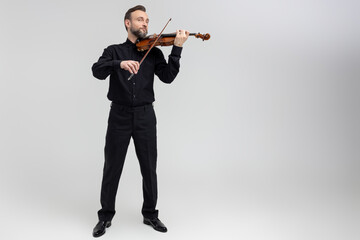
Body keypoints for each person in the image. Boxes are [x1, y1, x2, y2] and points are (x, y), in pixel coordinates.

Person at [91, 5, 189, 238]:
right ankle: (105, 217)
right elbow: (96, 70)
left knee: (149, 168)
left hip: (146, 115)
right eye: (140, 20)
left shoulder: (154, 52)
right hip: (119, 116)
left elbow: (167, 77)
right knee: (112, 167)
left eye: (147, 20)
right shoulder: (113, 51)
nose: (145, 24)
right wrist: (119, 64)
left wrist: (176, 50)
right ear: (128, 23)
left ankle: (150, 214)